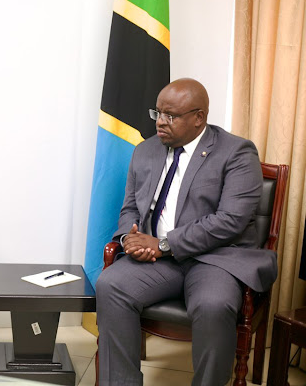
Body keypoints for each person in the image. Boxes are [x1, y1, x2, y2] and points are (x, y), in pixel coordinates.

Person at [95, 78, 278, 385]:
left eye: (171, 116)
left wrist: (164, 244)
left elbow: (230, 220)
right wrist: (130, 239)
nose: (160, 122)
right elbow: (130, 208)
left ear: (198, 118)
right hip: (158, 261)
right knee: (111, 285)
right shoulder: (145, 151)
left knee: (213, 304)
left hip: (214, 259)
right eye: (158, 113)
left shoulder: (236, 152)